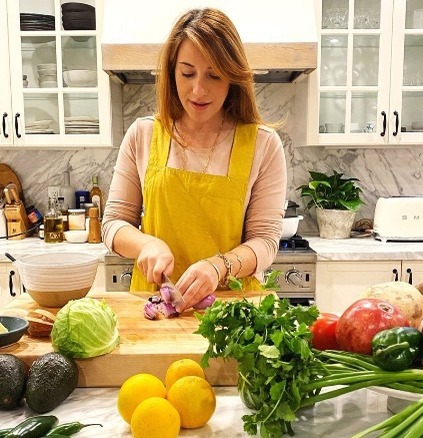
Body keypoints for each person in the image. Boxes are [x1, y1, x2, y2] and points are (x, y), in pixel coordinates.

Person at [101, 7, 286, 312]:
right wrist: (146, 244)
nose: (198, 89)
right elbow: (114, 224)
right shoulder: (143, 134)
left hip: (233, 316)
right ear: (172, 72)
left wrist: (219, 266)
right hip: (157, 310)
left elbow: (265, 242)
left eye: (214, 75)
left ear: (232, 79)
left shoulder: (263, 145)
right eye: (187, 73)